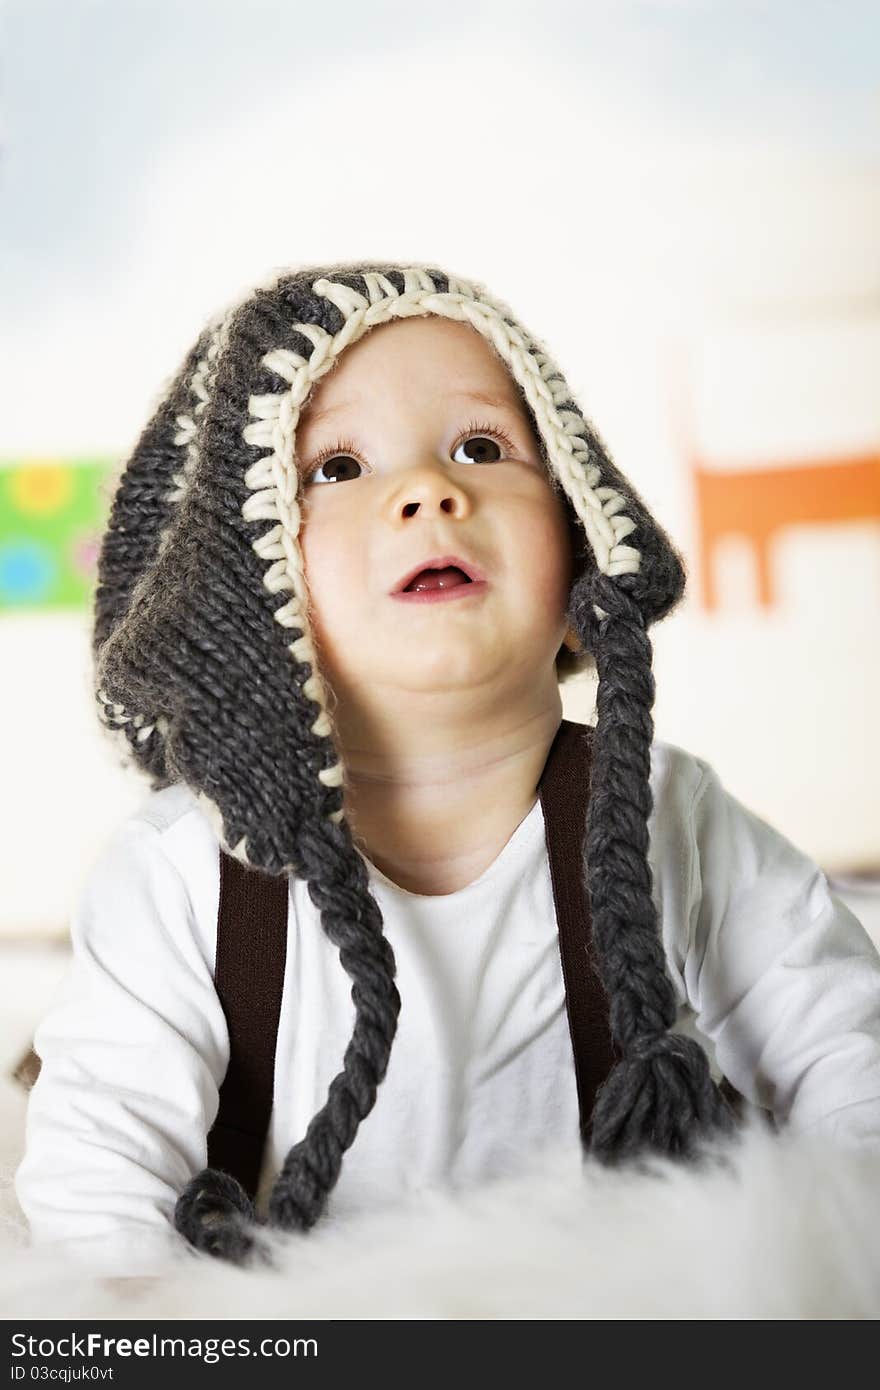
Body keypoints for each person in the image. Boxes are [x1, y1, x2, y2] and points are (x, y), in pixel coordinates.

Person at [14, 261, 880, 1279]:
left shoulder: (662, 818)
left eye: (481, 447)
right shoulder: (178, 874)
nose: (432, 490)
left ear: (578, 539)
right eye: (337, 467)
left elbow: (844, 1061)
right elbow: (99, 1204)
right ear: (241, 590)